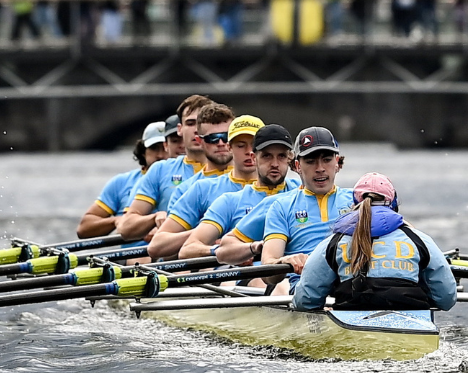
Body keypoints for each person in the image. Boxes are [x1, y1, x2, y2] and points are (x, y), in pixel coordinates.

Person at [291, 173, 456, 311]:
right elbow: (447, 299)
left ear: (355, 203)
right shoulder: (420, 240)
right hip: (412, 325)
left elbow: (305, 301)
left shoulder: (333, 243)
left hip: (350, 328)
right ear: (394, 204)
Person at [215, 127, 355, 290]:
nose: (320, 168)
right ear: (297, 166)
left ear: (337, 163)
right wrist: (279, 260)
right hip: (302, 288)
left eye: (326, 159)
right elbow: (268, 271)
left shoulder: (357, 199)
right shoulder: (280, 205)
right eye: (310, 161)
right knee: (280, 285)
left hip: (352, 286)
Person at [147, 113, 267, 259]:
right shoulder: (201, 189)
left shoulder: (289, 189)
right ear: (230, 147)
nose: (249, 152)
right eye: (241, 145)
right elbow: (157, 247)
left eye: (254, 146)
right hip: (221, 271)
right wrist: (207, 233)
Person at [181, 123, 300, 259]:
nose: (274, 164)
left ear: (290, 158)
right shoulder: (230, 201)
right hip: (248, 275)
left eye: (281, 156)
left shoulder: (302, 192)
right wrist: (236, 251)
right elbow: (187, 249)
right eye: (267, 156)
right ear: (254, 158)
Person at [116, 95, 223, 241]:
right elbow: (125, 228)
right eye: (190, 123)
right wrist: (154, 218)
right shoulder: (160, 170)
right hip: (174, 255)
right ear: (180, 129)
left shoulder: (238, 170)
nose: (197, 129)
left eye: (202, 123)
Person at [80, 122, 176, 239]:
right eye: (154, 148)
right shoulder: (121, 182)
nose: (160, 155)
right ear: (142, 152)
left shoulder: (186, 179)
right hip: (134, 252)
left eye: (164, 148)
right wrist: (117, 221)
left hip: (169, 248)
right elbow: (84, 228)